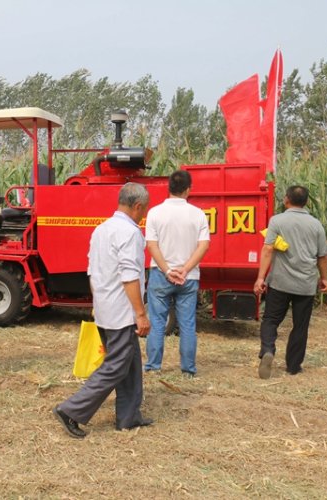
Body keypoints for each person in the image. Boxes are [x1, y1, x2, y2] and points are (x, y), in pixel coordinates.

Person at [53, 182, 152, 438]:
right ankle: (71, 410)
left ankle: (129, 417)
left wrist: (98, 303)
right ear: (137, 206)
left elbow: (92, 271)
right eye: (144, 210)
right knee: (117, 365)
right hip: (121, 311)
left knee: (129, 363)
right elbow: (130, 276)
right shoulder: (130, 233)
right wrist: (140, 314)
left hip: (106, 307)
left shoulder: (101, 229)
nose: (144, 215)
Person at [254, 185, 327, 379]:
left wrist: (261, 277)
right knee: (300, 325)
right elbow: (322, 256)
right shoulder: (316, 225)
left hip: (280, 282)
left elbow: (268, 249)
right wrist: (324, 279)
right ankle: (293, 366)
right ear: (305, 202)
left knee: (270, 320)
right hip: (305, 285)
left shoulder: (277, 221)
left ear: (286, 200)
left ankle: (268, 350)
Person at [144, 170, 210, 377]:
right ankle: (188, 370)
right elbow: (204, 245)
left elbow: (151, 245)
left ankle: (154, 366)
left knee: (156, 322)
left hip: (160, 275)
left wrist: (168, 270)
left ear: (168, 187)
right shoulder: (198, 214)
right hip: (188, 278)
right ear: (188, 189)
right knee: (187, 323)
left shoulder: (155, 212)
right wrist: (185, 268)